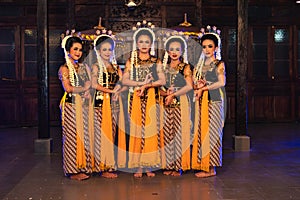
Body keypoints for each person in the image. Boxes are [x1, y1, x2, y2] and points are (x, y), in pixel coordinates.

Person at [122, 24, 166, 178]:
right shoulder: (131, 61)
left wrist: (148, 85)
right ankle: (138, 166)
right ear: (136, 43)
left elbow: (162, 80)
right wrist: (139, 84)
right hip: (136, 98)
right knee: (136, 131)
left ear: (151, 44)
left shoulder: (156, 61)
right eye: (141, 42)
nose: (144, 45)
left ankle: (149, 165)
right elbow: (125, 80)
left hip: (152, 98)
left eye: (147, 42)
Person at [91, 34, 127, 178]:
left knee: (112, 134)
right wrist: (112, 91)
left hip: (115, 104)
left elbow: (125, 83)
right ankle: (103, 166)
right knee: (102, 134)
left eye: (109, 49)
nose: (107, 52)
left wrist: (118, 90)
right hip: (100, 104)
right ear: (98, 51)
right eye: (104, 49)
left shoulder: (116, 67)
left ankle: (110, 164)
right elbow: (94, 85)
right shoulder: (95, 67)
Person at [192, 27, 226, 178]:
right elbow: (193, 83)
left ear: (216, 48)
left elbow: (221, 82)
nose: (206, 49)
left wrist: (204, 87)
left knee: (212, 133)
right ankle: (202, 164)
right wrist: (198, 84)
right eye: (204, 46)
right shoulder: (199, 66)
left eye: (210, 46)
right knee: (201, 132)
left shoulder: (219, 64)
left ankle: (211, 167)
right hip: (201, 101)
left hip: (214, 101)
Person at [58, 35, 93, 181]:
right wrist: (84, 88)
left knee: (84, 136)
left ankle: (83, 166)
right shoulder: (64, 68)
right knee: (72, 137)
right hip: (71, 105)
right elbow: (68, 88)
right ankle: (72, 171)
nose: (78, 52)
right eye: (75, 49)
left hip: (84, 104)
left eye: (80, 50)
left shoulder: (84, 67)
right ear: (68, 50)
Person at [160, 35, 193, 176]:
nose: (174, 52)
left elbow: (189, 86)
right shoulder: (164, 68)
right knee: (167, 135)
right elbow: (159, 88)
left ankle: (179, 165)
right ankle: (168, 165)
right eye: (171, 49)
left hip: (181, 104)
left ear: (182, 51)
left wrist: (173, 94)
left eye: (177, 49)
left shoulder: (185, 67)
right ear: (167, 51)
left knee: (179, 135)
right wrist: (165, 94)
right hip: (166, 105)